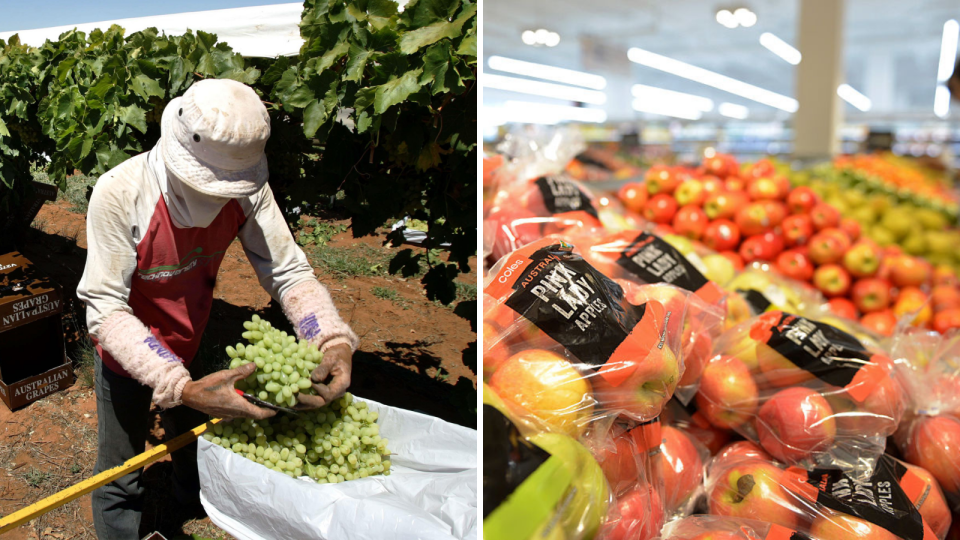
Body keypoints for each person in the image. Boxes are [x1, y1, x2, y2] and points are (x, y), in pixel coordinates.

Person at [76, 79, 359, 539]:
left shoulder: (248, 190)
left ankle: (193, 501)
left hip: (191, 341)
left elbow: (288, 272)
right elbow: (106, 309)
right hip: (125, 354)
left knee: (190, 441)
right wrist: (177, 385)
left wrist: (329, 335)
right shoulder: (120, 193)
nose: (218, 197)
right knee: (119, 471)